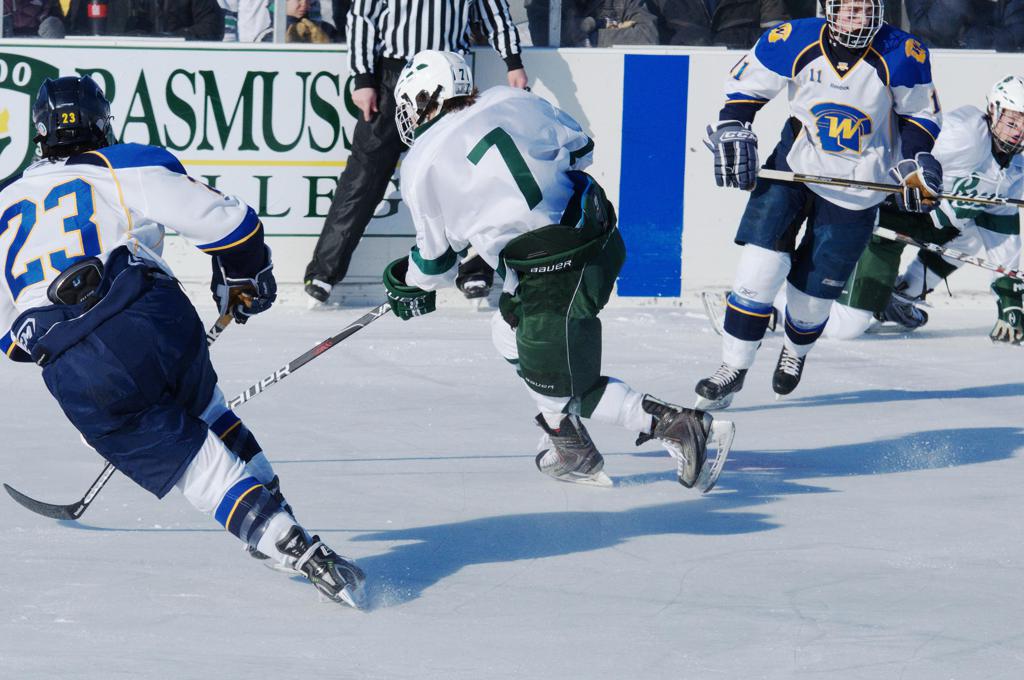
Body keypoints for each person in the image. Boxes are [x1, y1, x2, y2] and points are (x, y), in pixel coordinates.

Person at [0, 76, 364, 608]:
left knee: (193, 462)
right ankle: (276, 508)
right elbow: (232, 224)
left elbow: (12, 341)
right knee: (205, 408)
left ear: (38, 134)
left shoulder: (4, 202)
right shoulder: (119, 163)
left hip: (74, 364)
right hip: (152, 315)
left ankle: (289, 543)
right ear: (103, 125)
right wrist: (242, 276)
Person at [380, 50, 734, 491]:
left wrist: (405, 283)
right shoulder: (512, 98)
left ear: (423, 98)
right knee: (507, 333)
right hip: (600, 236)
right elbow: (582, 149)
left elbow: (434, 265)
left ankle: (673, 425)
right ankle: (569, 441)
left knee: (560, 384)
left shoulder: (419, 164)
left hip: (554, 274)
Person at [694, 0, 942, 409]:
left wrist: (916, 159)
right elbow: (747, 87)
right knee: (760, 267)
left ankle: (796, 351)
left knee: (812, 296)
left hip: (859, 184)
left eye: (864, 10)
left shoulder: (902, 52)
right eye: (847, 9)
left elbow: (920, 116)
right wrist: (734, 124)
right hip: (794, 165)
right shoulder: (795, 38)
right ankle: (732, 366)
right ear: (830, 8)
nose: (855, 19)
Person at [302, 0, 528, 307]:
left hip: (451, 80)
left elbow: (494, 13)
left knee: (464, 176)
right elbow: (362, 17)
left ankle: (475, 267)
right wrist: (363, 77)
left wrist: (513, 61)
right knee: (364, 177)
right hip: (394, 76)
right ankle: (324, 272)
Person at [857, 76, 1024, 344]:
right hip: (892, 218)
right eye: (1012, 121)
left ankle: (902, 296)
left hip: (930, 223)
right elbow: (903, 153)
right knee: (849, 325)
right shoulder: (966, 135)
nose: (1018, 132)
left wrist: (1010, 297)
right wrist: (865, 200)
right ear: (993, 111)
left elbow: (1000, 227)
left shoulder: (1017, 168)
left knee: (972, 232)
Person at [645, 0, 787, 49]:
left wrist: (724, 41)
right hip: (676, 80)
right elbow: (646, 41)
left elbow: (781, 41)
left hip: (745, 81)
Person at [904, 0, 1024, 51]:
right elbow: (925, 28)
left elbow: (1015, 35)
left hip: (997, 71)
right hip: (934, 70)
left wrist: (969, 37)